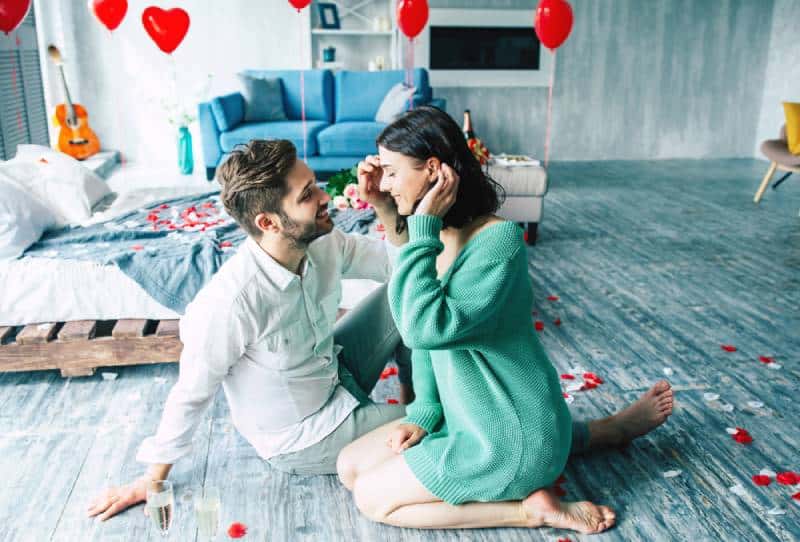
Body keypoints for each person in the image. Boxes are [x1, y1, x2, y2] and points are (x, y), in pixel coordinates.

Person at [337, 107, 674, 534]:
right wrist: (422, 413)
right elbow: (417, 336)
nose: (382, 183)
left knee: (370, 497)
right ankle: (596, 433)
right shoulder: (436, 234)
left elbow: (427, 328)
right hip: (466, 417)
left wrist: (419, 225)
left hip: (510, 436)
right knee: (349, 467)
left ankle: (531, 509)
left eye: (390, 172)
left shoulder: (498, 241)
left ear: (434, 171)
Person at [87, 139, 413, 521]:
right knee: (446, 418)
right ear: (268, 222)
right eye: (307, 194)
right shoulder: (231, 303)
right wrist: (152, 479)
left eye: (315, 184)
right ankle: (414, 412)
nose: (325, 196)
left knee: (404, 291)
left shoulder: (322, 241)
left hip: (335, 372)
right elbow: (191, 393)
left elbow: (401, 268)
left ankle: (415, 394)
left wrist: (384, 207)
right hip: (306, 435)